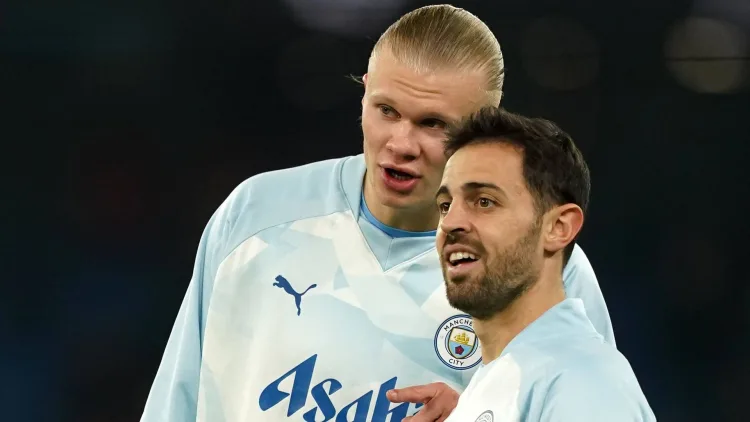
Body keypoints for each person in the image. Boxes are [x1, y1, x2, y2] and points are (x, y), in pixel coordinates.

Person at [140, 5, 615, 422]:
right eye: (386, 110)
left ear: (484, 127)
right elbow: (175, 404)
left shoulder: (542, 267)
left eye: (433, 124)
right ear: (364, 93)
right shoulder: (256, 217)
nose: (401, 144)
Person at [434, 106, 654, 422]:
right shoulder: (503, 383)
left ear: (558, 227)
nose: (450, 222)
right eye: (445, 205)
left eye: (485, 201)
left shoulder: (581, 382)